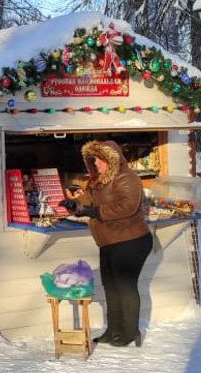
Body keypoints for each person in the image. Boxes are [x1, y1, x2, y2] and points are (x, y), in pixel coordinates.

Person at [61, 139, 152, 347]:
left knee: (125, 286)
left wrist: (95, 212)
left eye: (99, 160)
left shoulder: (127, 177)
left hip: (131, 240)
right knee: (110, 287)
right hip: (109, 241)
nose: (95, 164)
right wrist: (74, 204)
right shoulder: (97, 181)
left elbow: (128, 206)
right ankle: (113, 330)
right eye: (92, 160)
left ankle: (130, 332)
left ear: (110, 160)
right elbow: (87, 200)